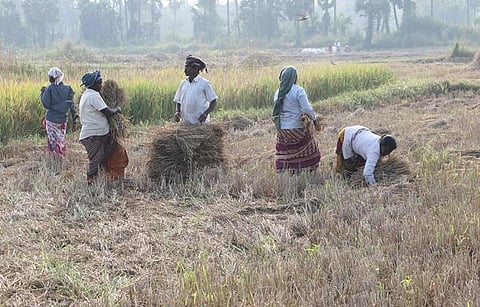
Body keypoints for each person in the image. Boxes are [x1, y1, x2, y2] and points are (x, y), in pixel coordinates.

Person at [78, 70, 128, 182]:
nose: (101, 85)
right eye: (99, 83)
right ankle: (91, 182)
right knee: (97, 159)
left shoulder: (88, 94)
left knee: (113, 152)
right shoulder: (93, 95)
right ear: (93, 84)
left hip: (100, 133)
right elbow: (108, 112)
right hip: (92, 135)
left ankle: (110, 177)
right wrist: (117, 109)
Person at [272, 66, 321, 173]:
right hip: (297, 128)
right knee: (311, 145)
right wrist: (314, 119)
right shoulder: (299, 90)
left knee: (285, 150)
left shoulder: (278, 92)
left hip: (282, 130)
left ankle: (286, 169)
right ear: (294, 78)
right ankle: (307, 169)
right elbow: (307, 109)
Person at [40, 67, 77, 159]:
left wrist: (42, 93)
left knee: (52, 142)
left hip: (51, 120)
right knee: (60, 141)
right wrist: (74, 122)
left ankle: (54, 161)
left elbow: (46, 105)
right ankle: (61, 158)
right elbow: (72, 106)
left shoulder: (49, 89)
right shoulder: (68, 89)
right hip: (62, 121)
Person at [174, 55, 218, 124]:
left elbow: (213, 101)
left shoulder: (204, 83)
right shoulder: (183, 83)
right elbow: (178, 101)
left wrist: (205, 114)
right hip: (185, 124)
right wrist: (177, 112)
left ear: (195, 68)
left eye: (187, 68)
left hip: (200, 124)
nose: (184, 70)